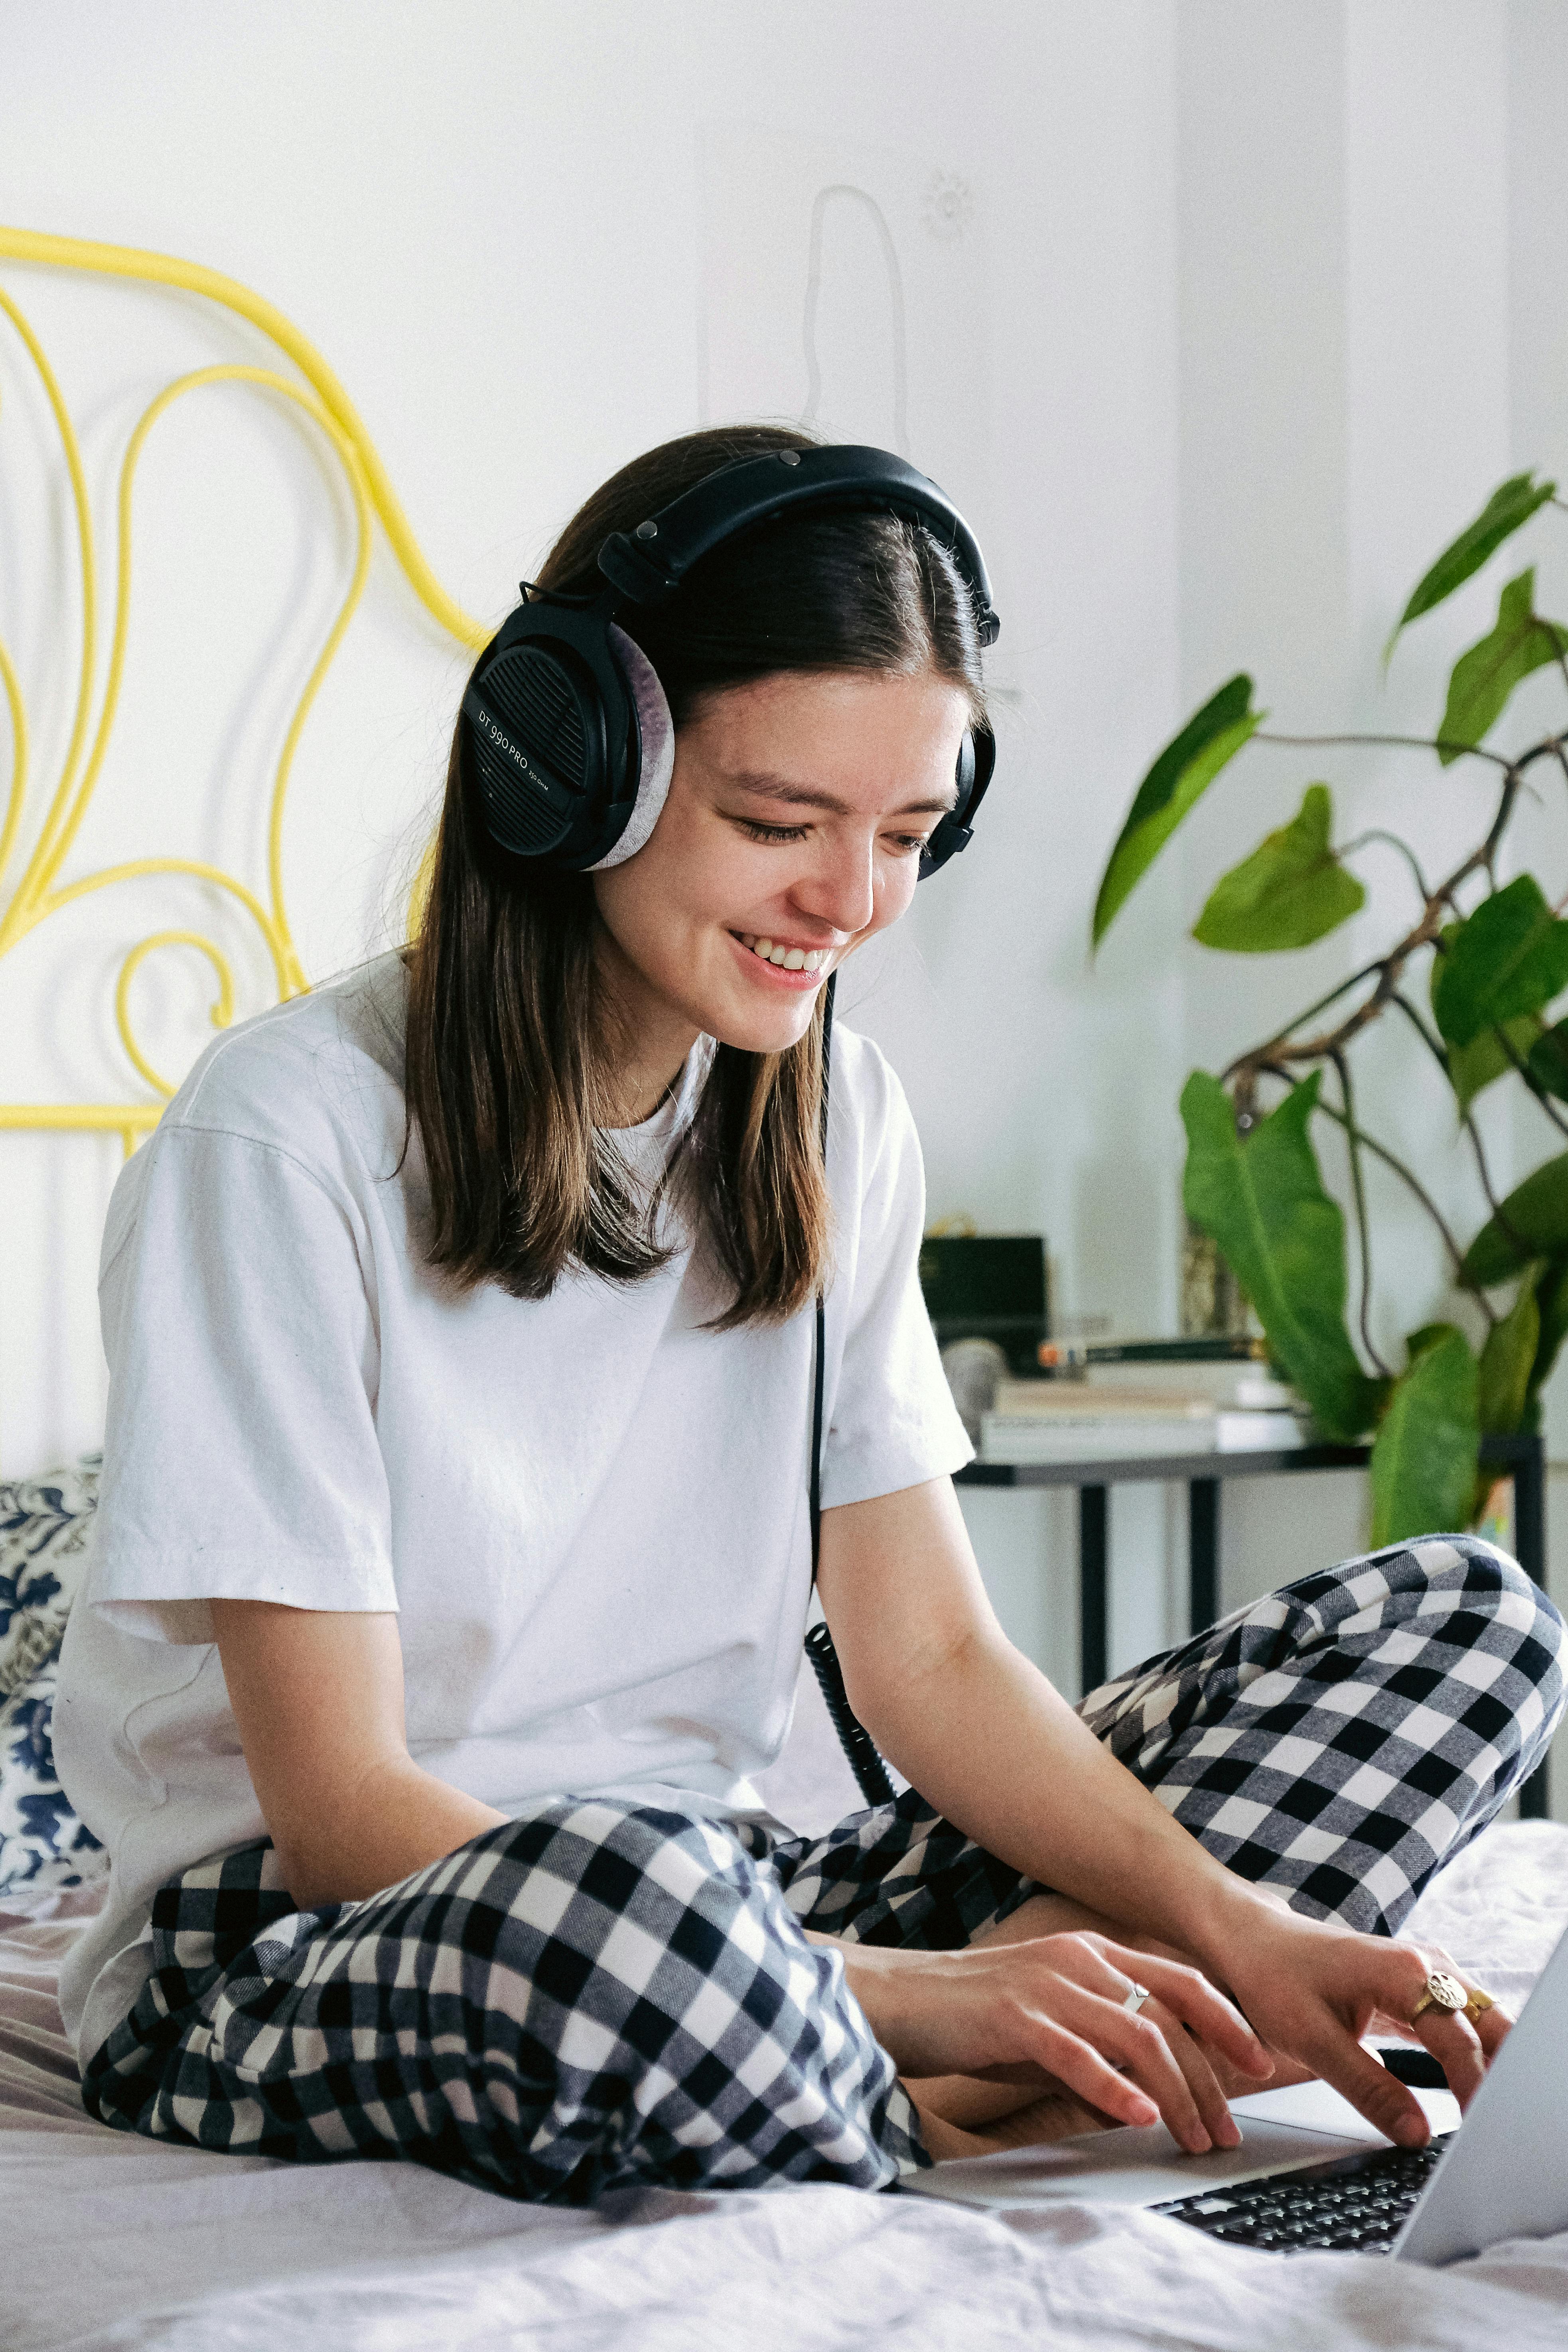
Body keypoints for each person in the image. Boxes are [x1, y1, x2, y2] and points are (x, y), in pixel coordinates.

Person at [56, 425, 1566, 2203]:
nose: (845, 905)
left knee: (1468, 1621)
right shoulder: (285, 1135)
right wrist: (926, 1992)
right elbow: (344, 1813)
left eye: (906, 835)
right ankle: (938, 2084)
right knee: (628, 1898)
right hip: (345, 1941)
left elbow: (925, 1659)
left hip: (738, 1897)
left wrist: (1245, 1931)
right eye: (778, 824)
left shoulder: (837, 1119)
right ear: (574, 768)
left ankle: (948, 2073)